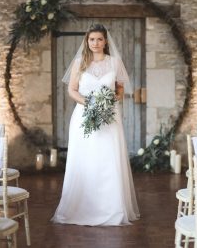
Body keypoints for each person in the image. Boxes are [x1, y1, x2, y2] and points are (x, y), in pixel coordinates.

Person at [52, 23, 140, 226]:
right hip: (84, 117)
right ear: (87, 41)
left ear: (105, 41)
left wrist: (108, 102)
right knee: (86, 159)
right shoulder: (79, 62)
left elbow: (119, 91)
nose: (95, 43)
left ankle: (112, 208)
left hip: (110, 117)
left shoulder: (115, 62)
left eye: (99, 39)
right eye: (91, 39)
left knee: (108, 160)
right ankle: (82, 207)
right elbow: (72, 90)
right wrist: (90, 103)